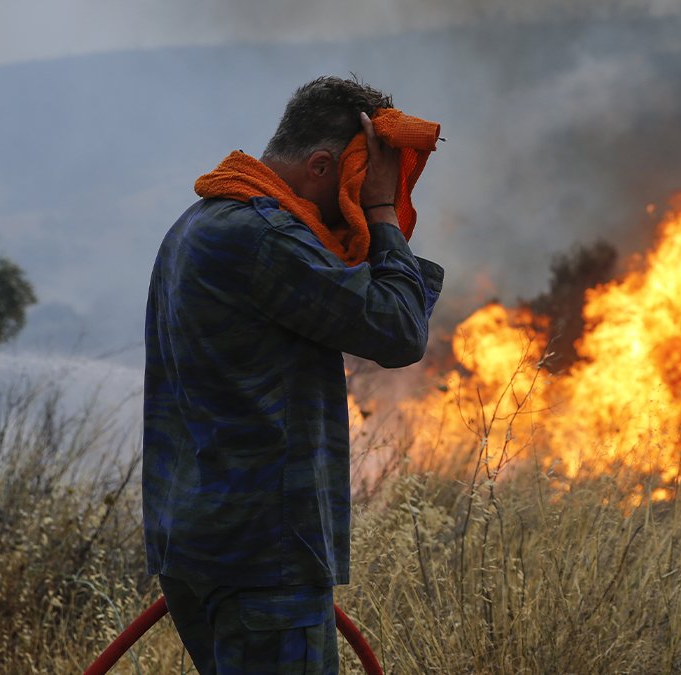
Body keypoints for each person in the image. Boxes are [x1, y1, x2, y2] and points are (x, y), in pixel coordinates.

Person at [142, 76, 443, 674]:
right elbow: (399, 330)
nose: (363, 198)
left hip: (205, 550)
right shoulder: (266, 238)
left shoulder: (200, 222)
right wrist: (382, 213)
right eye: (362, 182)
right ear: (324, 166)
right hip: (263, 563)